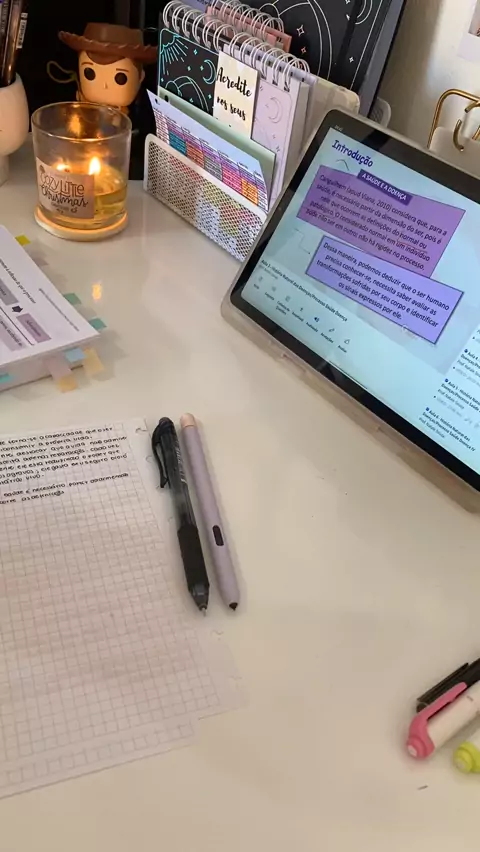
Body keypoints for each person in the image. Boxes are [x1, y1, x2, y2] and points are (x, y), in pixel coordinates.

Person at [59, 23, 158, 113]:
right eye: (89, 73)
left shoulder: (120, 114)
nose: (104, 85)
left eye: (120, 78)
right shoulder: (85, 103)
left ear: (140, 77)